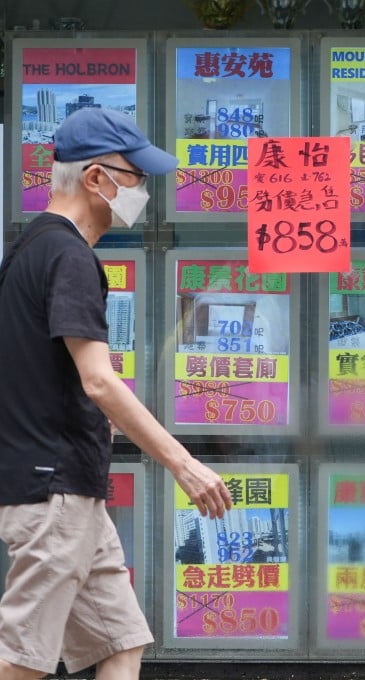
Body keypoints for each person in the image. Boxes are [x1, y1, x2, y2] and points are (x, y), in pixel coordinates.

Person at [0, 107, 234, 679]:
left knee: (120, 642)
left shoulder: (29, 250)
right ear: (96, 178)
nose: (142, 190)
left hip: (68, 487)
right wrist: (184, 465)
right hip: (53, 492)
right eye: (135, 176)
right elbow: (99, 378)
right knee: (23, 660)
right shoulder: (70, 257)